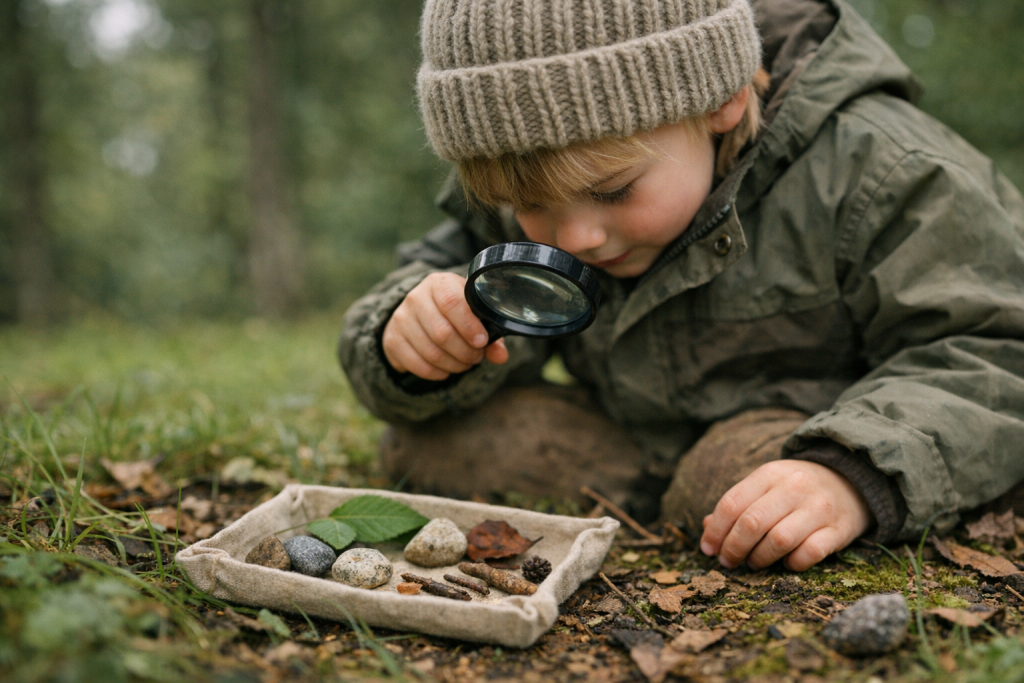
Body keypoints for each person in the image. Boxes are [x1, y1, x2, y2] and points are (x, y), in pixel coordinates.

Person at [340, 0, 1024, 571]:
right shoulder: (530, 175)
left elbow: (994, 347)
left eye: (612, 191)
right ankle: (671, 495)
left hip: (812, 433)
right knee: (424, 445)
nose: (572, 238)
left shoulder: (879, 170)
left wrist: (851, 471)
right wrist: (416, 339)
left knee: (726, 480)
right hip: (629, 441)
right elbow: (439, 290)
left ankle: (755, 488)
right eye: (530, 206)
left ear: (720, 103)